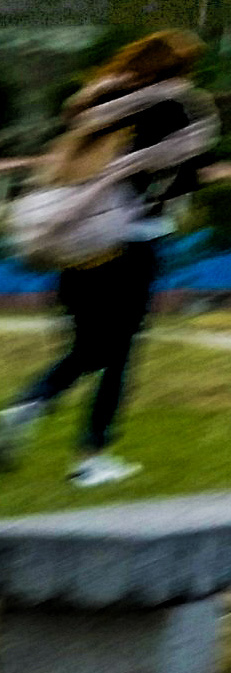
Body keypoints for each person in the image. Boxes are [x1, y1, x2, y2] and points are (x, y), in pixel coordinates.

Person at [5, 30, 214, 486]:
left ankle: (29, 405)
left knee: (85, 347)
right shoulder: (178, 109)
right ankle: (91, 459)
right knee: (117, 355)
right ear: (180, 70)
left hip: (73, 240)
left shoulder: (95, 104)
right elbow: (186, 181)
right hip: (131, 242)